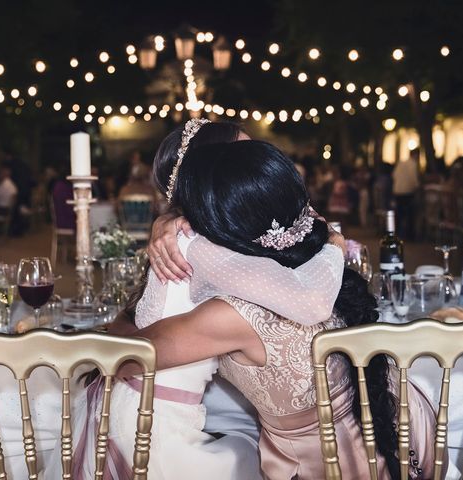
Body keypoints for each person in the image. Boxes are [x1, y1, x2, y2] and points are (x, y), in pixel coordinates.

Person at [112, 140, 438, 479]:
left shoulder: (231, 314)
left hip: (333, 461)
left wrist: (122, 318)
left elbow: (123, 359)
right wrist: (169, 218)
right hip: (401, 413)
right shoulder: (313, 253)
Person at [63, 120, 347, 480]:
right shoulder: (202, 246)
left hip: (145, 399)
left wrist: (169, 217)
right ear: (208, 175)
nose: (253, 165)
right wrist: (334, 244)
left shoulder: (201, 235)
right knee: (247, 449)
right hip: (156, 423)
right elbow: (309, 302)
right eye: (239, 156)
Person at [392, 149, 420, 239]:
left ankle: (396, 233)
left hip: (398, 191)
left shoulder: (401, 163)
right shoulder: (413, 164)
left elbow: (394, 175)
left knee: (399, 214)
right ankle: (410, 235)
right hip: (407, 192)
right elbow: (414, 179)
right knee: (410, 214)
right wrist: (417, 187)